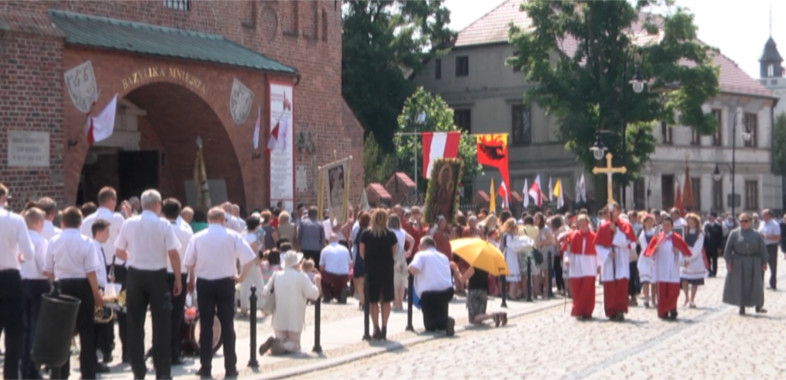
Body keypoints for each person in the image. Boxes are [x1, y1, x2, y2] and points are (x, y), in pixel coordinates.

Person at [115, 189, 182, 379]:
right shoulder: (163, 224)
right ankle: (162, 373)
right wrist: (178, 278)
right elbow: (174, 254)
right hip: (158, 276)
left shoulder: (129, 223)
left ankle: (138, 371)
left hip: (135, 275)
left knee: (134, 324)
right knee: (161, 326)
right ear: (157, 204)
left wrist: (132, 257)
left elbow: (119, 251)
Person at [184, 207, 256, 379]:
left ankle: (206, 368)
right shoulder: (233, 236)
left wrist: (191, 281)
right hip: (226, 281)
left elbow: (189, 262)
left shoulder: (197, 237)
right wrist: (240, 277)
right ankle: (230, 368)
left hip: (205, 283)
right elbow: (250, 258)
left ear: (209, 220)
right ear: (224, 220)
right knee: (227, 325)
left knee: (206, 326)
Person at [44, 207, 104, 380]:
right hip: (82, 286)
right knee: (86, 331)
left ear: (62, 222)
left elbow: (49, 271)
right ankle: (87, 373)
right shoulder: (87, 242)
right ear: (80, 223)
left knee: (63, 334)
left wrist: (54, 287)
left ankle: (61, 373)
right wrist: (96, 295)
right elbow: (91, 272)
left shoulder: (54, 241)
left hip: (62, 286)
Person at [80, 186, 128, 363]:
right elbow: (125, 242)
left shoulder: (87, 221)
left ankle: (104, 347)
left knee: (101, 309)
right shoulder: (117, 218)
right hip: (115, 268)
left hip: (95, 269)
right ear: (112, 200)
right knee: (121, 309)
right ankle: (126, 351)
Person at [0, 183, 35, 379]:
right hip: (11, 277)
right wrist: (19, 256)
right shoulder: (15, 220)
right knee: (14, 334)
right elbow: (29, 253)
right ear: (4, 198)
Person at [258, 251, 321, 356]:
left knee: (281, 339)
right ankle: (278, 345)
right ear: (296, 264)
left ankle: (276, 342)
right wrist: (317, 282)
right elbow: (314, 294)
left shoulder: (276, 275)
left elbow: (265, 291)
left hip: (278, 319)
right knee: (295, 345)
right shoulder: (301, 277)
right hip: (294, 320)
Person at [162, 198, 193, 366]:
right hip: (180, 274)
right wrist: (190, 277)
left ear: (163, 213)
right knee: (176, 315)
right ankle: (174, 353)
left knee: (160, 315)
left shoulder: (159, 228)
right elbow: (190, 257)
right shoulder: (187, 230)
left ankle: (159, 351)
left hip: (161, 273)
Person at [19, 207, 49, 379]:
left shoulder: (20, 240)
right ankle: (33, 368)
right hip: (38, 284)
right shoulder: (40, 241)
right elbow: (43, 267)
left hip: (22, 283)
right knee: (36, 328)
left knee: (24, 328)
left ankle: (22, 366)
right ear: (38, 222)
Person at [643, 216, 692, 320]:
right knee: (662, 293)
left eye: (668, 225)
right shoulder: (657, 238)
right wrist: (654, 251)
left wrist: (678, 253)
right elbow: (648, 254)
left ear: (672, 226)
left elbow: (684, 253)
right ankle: (663, 312)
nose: (665, 227)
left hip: (672, 269)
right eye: (664, 225)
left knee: (673, 291)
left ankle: (672, 308)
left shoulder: (676, 238)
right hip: (661, 269)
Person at [594, 203, 637, 321]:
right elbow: (597, 245)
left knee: (621, 287)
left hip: (621, 259)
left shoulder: (626, 225)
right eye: (609, 211)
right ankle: (611, 310)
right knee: (610, 288)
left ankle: (620, 310)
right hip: (609, 261)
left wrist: (617, 232)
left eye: (615, 210)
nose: (612, 213)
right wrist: (607, 253)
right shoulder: (603, 227)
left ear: (618, 211)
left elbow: (631, 244)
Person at [360, 209, 398, 340]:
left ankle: (375, 328)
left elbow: (362, 253)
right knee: (386, 299)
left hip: (371, 270)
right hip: (387, 270)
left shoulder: (366, 234)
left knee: (373, 300)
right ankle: (384, 326)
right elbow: (394, 252)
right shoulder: (391, 235)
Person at [408, 236, 456, 335]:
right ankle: (445, 321)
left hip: (429, 294)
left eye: (419, 246)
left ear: (424, 245)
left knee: (429, 325)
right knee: (441, 315)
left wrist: (407, 268)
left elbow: (414, 269)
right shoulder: (444, 256)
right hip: (447, 292)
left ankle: (446, 321)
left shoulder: (421, 255)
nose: (418, 248)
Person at [723, 212, 769, 315]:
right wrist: (728, 262)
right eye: (741, 221)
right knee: (740, 285)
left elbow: (762, 249)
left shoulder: (757, 234)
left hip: (754, 262)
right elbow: (728, 249)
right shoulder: (734, 234)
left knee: (756, 285)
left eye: (745, 221)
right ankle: (741, 306)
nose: (743, 223)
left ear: (750, 222)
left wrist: (764, 261)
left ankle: (758, 305)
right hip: (739, 262)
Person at [562, 214, 597, 320]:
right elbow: (567, 250)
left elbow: (598, 252)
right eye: (580, 224)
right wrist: (567, 259)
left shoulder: (593, 236)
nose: (582, 226)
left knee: (588, 289)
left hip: (590, 264)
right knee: (577, 289)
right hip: (576, 264)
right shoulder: (573, 235)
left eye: (584, 224)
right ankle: (578, 310)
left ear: (588, 224)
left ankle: (587, 310)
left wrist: (599, 265)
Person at [239, 214, 265, 317]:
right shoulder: (252, 236)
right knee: (259, 284)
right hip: (252, 263)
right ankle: (262, 306)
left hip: (243, 261)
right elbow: (254, 252)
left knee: (244, 284)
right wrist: (259, 262)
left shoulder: (242, 234)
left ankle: (244, 307)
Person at [388, 214, 414, 310]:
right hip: (402, 257)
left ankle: (396, 302)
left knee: (394, 282)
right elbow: (412, 240)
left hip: (393, 257)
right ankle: (401, 302)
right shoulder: (402, 232)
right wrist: (410, 250)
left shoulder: (389, 232)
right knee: (402, 282)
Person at [680, 213, 706, 308]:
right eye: (689, 222)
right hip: (684, 255)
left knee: (695, 280)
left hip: (695, 257)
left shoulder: (700, 233)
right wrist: (684, 257)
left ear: (696, 223)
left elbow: (698, 248)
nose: (690, 224)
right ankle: (686, 297)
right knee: (684, 279)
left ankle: (692, 299)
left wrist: (690, 258)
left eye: (692, 222)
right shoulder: (684, 232)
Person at [320, 233, 352, 303]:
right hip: (344, 276)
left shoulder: (324, 250)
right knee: (342, 281)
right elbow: (350, 264)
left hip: (330, 276)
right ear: (338, 241)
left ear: (328, 241)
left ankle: (327, 295)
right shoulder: (345, 249)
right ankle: (341, 293)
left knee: (323, 278)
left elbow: (321, 267)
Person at [637, 213, 659, 308]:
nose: (649, 224)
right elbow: (644, 246)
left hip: (655, 257)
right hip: (645, 258)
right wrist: (652, 250)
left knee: (654, 281)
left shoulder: (656, 232)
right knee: (646, 281)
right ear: (644, 223)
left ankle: (654, 300)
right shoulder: (642, 235)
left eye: (651, 222)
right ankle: (646, 299)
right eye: (647, 222)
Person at [351, 212, 370, 309]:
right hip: (366, 258)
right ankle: (364, 300)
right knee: (364, 280)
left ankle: (362, 300)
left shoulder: (359, 231)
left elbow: (354, 242)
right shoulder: (367, 232)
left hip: (359, 257)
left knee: (360, 280)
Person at [758, 209, 780, 290]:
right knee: (760, 265)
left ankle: (773, 283)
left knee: (772, 265)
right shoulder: (762, 223)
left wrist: (766, 236)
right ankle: (760, 283)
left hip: (771, 246)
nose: (762, 216)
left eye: (764, 215)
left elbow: (778, 237)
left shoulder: (775, 224)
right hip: (762, 246)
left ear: (769, 215)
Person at [703, 212, 724, 277]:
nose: (710, 218)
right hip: (707, 245)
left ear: (714, 218)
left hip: (715, 246)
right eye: (709, 217)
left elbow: (720, 237)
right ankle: (709, 271)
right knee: (708, 259)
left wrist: (719, 247)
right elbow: (704, 235)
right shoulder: (706, 225)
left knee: (715, 260)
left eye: (712, 217)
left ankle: (714, 272)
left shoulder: (718, 226)